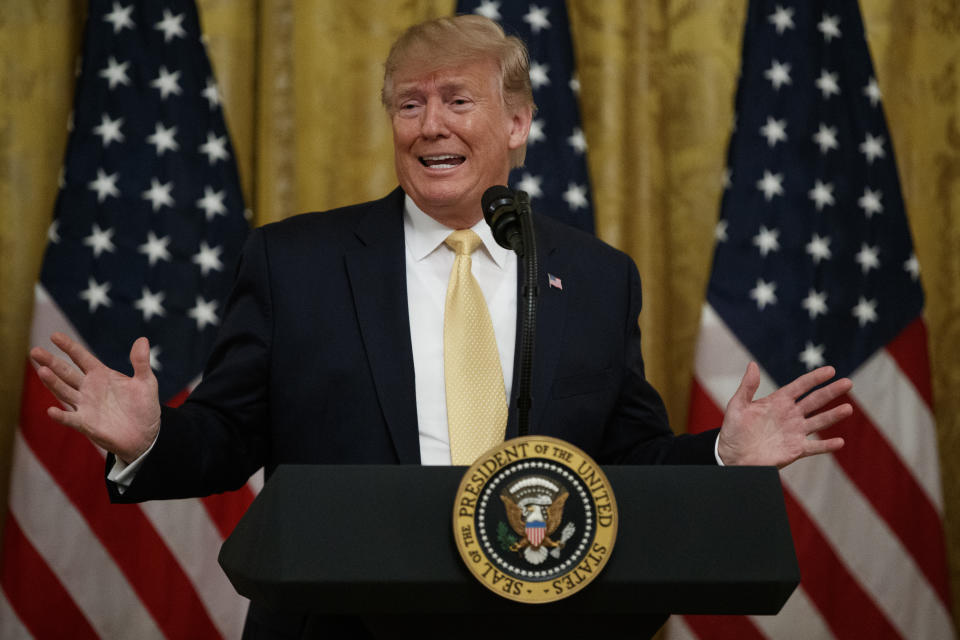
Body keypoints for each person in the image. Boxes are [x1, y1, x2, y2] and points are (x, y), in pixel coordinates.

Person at [30, 14, 852, 639]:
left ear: (518, 126)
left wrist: (722, 455)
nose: (431, 126)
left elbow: (623, 459)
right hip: (342, 622)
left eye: (459, 101)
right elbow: (230, 433)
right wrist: (147, 441)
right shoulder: (297, 261)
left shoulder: (598, 277)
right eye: (410, 104)